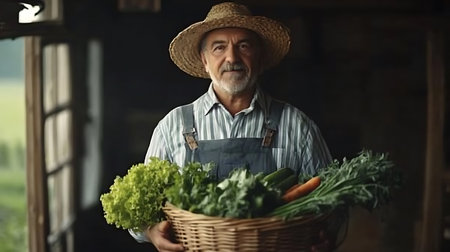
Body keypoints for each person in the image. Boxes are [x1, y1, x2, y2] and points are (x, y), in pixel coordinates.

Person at [130, 2, 334, 251]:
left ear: (259, 59)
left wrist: (326, 237)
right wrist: (152, 232)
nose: (232, 58)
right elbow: (140, 215)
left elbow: (333, 208)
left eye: (244, 46)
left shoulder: (298, 127)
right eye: (219, 48)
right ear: (204, 61)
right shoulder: (172, 126)